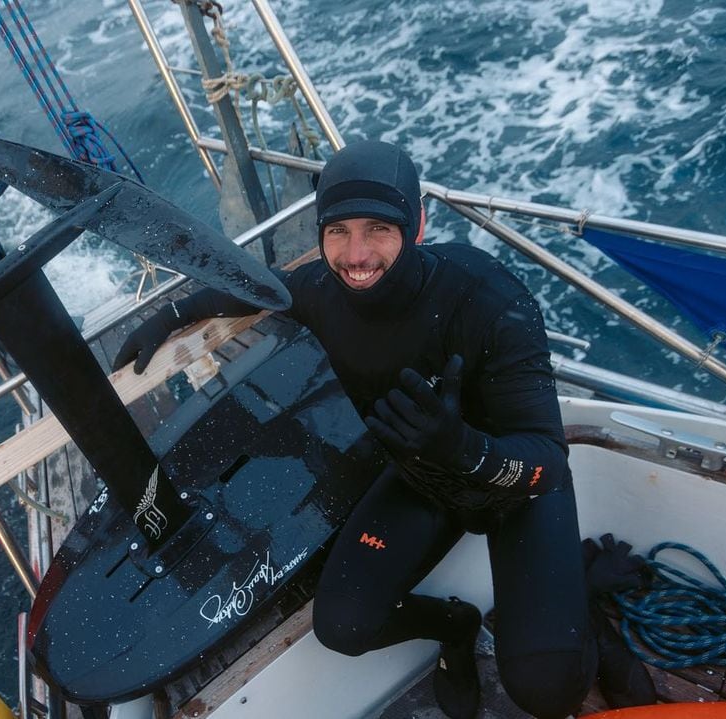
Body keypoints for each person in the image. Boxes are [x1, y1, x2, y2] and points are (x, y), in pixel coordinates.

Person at [112, 140, 596, 719]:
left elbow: (548, 459)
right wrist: (170, 316)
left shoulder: (489, 302)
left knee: (547, 687)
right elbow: (257, 284)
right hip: (424, 477)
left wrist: (462, 447)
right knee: (342, 625)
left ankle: (592, 625)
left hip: (515, 484)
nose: (356, 254)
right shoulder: (323, 289)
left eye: (378, 228)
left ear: (417, 224)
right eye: (337, 230)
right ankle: (456, 626)